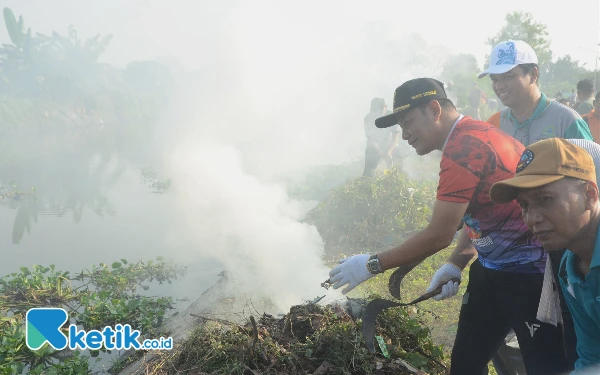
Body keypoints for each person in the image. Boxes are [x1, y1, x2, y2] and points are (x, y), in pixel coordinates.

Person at [327, 77, 572, 374]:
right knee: (466, 363)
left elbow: (440, 233)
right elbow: (481, 213)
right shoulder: (477, 133)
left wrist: (372, 265)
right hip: (492, 270)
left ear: (434, 109)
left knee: (546, 368)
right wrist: (456, 263)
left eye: (408, 122)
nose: (404, 135)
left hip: (530, 277)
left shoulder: (464, 147)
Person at [479, 38, 593, 372]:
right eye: (495, 79)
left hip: (561, 244)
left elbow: (591, 180)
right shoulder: (495, 124)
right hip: (515, 253)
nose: (500, 85)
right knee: (523, 325)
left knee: (570, 325)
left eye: (509, 76)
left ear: (534, 75)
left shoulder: (566, 120)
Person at [489, 138, 600, 374]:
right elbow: (592, 354)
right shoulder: (570, 268)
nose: (532, 218)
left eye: (545, 200)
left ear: (589, 195)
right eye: (525, 205)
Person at [362, 98, 401, 177]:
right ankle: (366, 183)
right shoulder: (367, 118)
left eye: (380, 110)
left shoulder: (392, 116)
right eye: (374, 111)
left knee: (398, 168)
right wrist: (380, 152)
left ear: (385, 107)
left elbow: (395, 135)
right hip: (374, 146)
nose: (377, 114)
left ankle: (397, 178)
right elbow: (371, 139)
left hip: (390, 144)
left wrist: (389, 151)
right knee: (368, 172)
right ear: (370, 109)